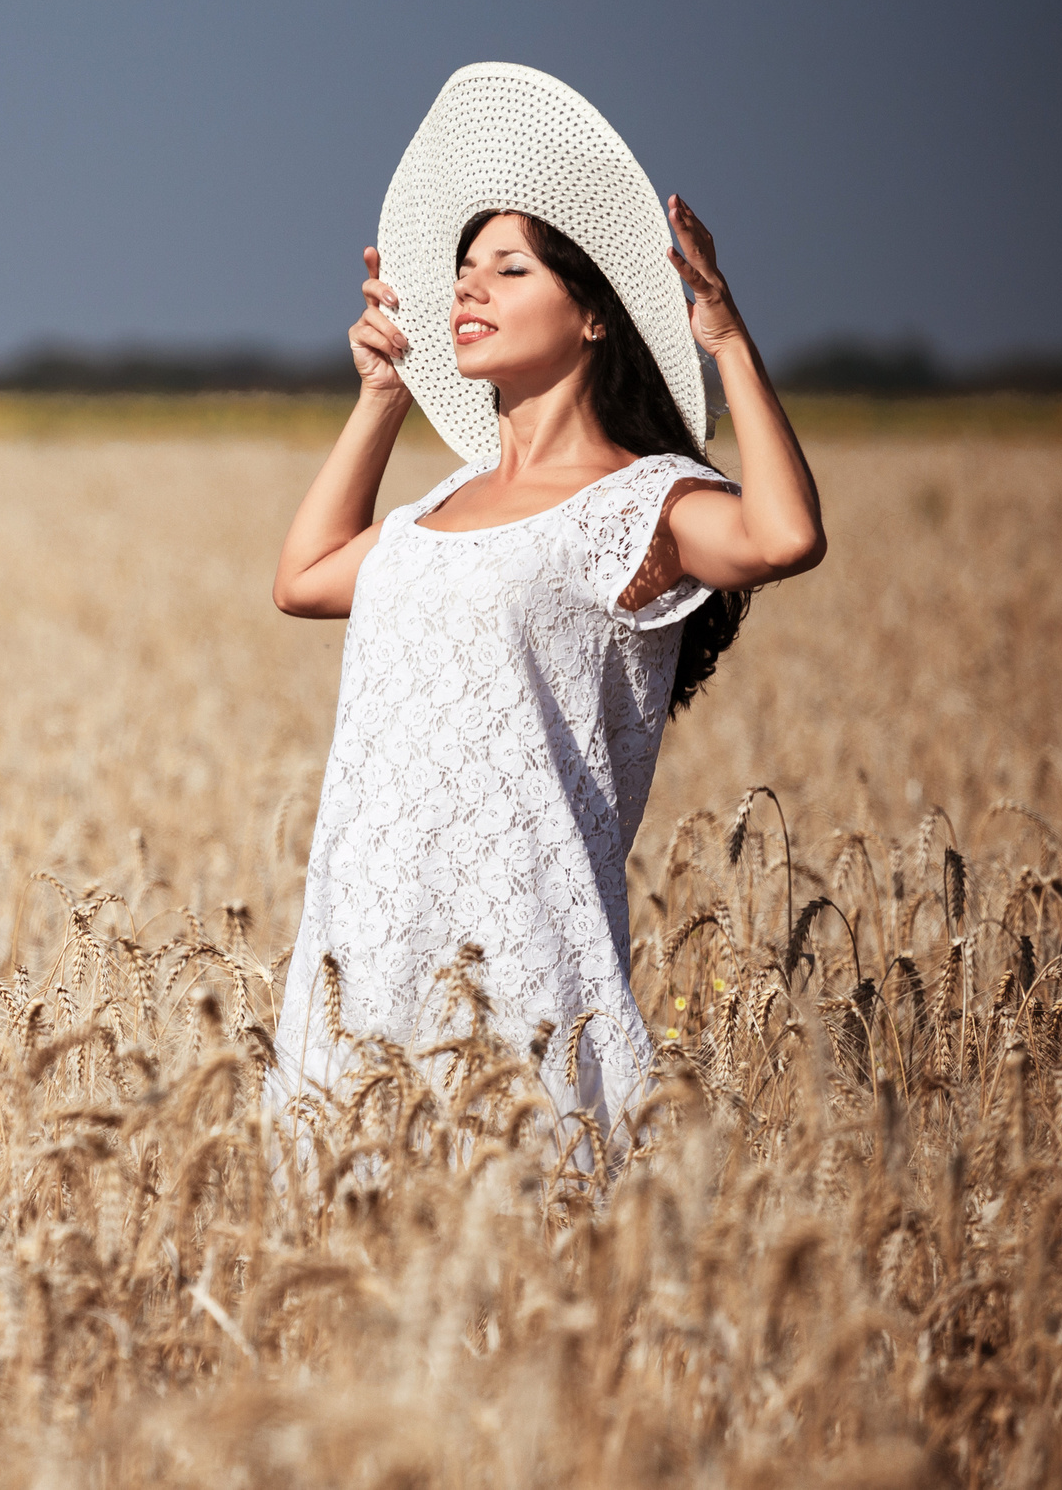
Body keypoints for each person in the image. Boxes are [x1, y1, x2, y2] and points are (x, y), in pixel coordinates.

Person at [266, 63, 826, 1156]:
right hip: (362, 939)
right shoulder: (434, 509)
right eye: (461, 270)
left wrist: (726, 342)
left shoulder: (642, 503)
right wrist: (380, 398)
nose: (465, 289)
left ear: (592, 315)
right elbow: (304, 577)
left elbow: (782, 537)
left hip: (522, 951)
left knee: (533, 1257)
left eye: (507, 269)